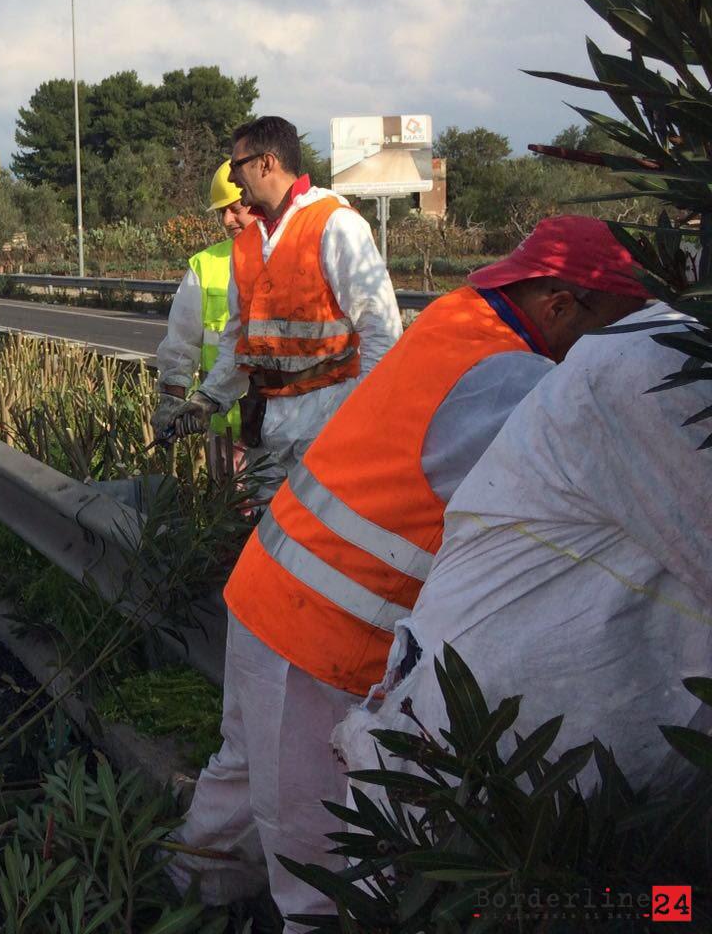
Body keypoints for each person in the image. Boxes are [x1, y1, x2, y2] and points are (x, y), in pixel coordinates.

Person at [166, 216, 651, 926]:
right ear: (557, 305)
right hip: (323, 636)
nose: (621, 353)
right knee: (324, 861)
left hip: (274, 588)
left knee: (244, 777)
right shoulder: (512, 379)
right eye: (616, 329)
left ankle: (177, 892)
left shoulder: (461, 317)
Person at [335, 296, 711, 808]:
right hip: (424, 682)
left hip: (385, 641)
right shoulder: (629, 369)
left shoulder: (460, 321)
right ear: (558, 306)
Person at [166, 117, 402, 497]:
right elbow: (238, 342)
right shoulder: (248, 244)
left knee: (316, 528)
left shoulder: (334, 224)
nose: (232, 176)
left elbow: (382, 331)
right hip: (269, 424)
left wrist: (363, 420)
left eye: (237, 165)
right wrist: (208, 398)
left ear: (266, 163)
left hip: (327, 417)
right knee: (269, 528)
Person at [152, 161, 260, 477]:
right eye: (221, 212)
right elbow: (181, 343)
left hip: (282, 429)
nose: (227, 220)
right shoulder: (206, 264)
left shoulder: (288, 254)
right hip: (224, 427)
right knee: (230, 505)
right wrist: (171, 401)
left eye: (235, 208)